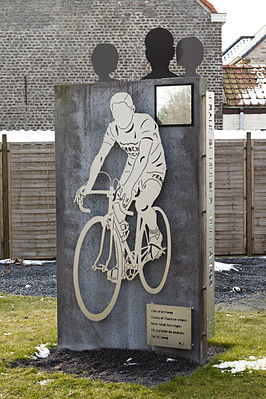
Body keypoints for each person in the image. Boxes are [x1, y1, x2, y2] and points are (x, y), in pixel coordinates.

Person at [74, 92, 167, 278]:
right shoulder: (113, 129)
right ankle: (123, 262)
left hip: (153, 167)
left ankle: (155, 234)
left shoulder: (145, 123)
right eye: (116, 114)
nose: (120, 118)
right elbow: (100, 156)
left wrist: (130, 186)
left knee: (142, 204)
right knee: (116, 212)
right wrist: (88, 184)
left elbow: (143, 156)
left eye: (123, 113)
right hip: (131, 168)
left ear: (132, 110)